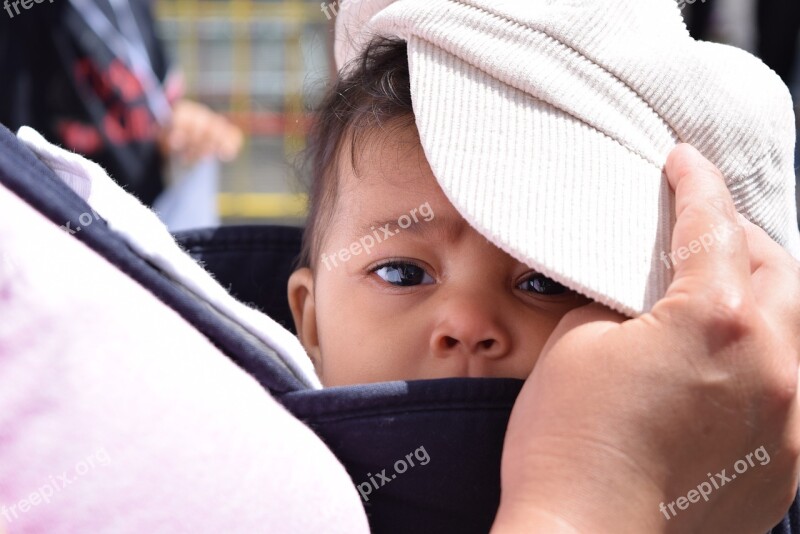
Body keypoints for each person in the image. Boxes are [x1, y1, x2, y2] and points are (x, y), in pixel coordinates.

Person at [0, 0, 242, 208]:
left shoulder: (133, 5)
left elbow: (158, 101)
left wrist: (187, 129)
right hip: (62, 232)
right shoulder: (19, 16)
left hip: (143, 223)